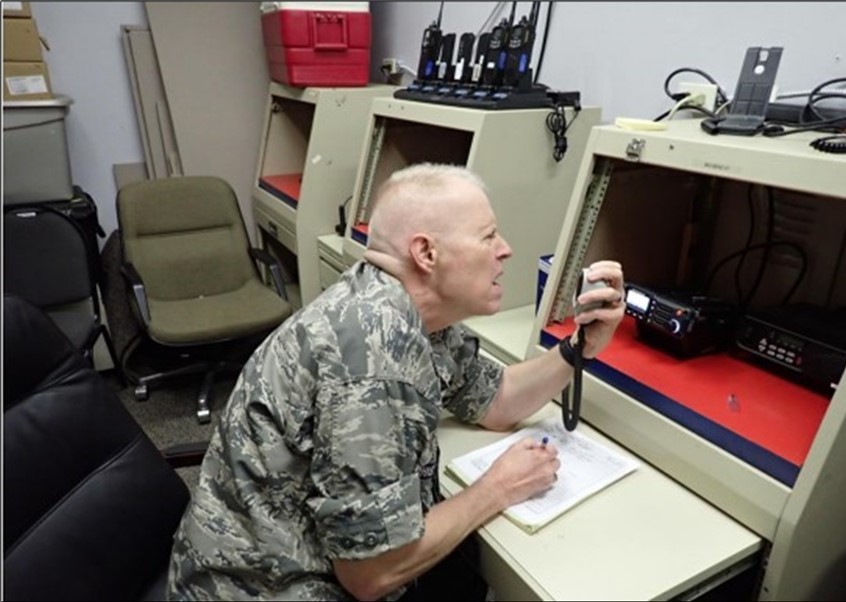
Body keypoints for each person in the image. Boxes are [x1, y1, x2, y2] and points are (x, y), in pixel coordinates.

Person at [168, 163, 626, 601]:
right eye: (488, 236)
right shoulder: (372, 361)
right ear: (426, 253)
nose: (505, 249)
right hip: (264, 589)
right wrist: (497, 488)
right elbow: (372, 574)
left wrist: (578, 348)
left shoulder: (404, 308)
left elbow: (497, 398)